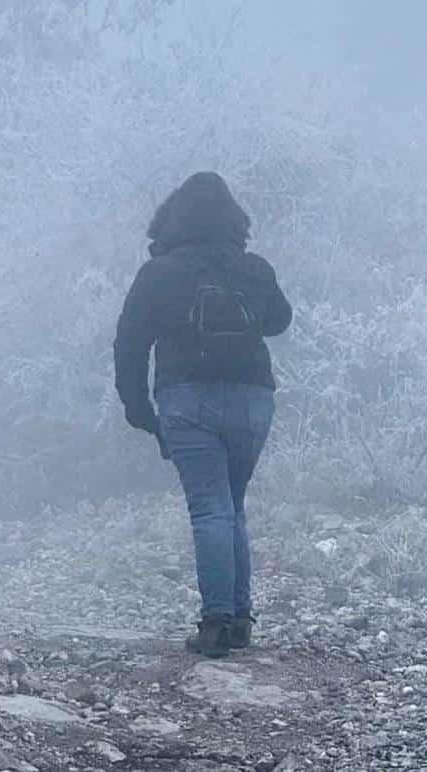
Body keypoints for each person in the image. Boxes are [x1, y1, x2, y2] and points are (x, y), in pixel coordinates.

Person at [114, 172, 291, 658]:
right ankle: (240, 620)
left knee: (211, 507)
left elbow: (129, 343)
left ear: (172, 219)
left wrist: (139, 409)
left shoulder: (159, 273)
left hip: (186, 398)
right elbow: (279, 321)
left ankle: (216, 623)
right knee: (232, 503)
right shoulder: (254, 268)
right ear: (234, 219)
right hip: (253, 398)